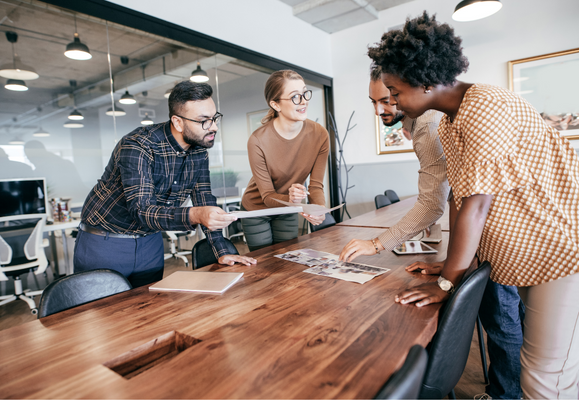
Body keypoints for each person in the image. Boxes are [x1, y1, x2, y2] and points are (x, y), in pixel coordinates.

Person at [369, 12, 579, 399]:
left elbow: (478, 205)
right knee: (540, 367)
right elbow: (459, 198)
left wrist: (449, 283)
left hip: (557, 250)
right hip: (526, 255)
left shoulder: (484, 107)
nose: (394, 102)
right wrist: (451, 265)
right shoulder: (451, 122)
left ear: (425, 81)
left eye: (396, 92)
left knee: (545, 377)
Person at [75, 81, 256, 287]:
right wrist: (195, 215)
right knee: (102, 315)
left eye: (214, 118)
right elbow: (142, 211)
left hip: (150, 241)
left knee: (147, 310)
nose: (213, 127)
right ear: (178, 122)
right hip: (106, 241)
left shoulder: (199, 152)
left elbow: (204, 200)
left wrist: (222, 252)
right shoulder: (138, 145)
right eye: (204, 121)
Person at [339, 67, 448, 262]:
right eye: (373, 102)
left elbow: (432, 205)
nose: (377, 111)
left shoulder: (427, 124)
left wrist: (375, 244)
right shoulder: (424, 121)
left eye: (385, 101)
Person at [240, 70, 329, 251]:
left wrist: (318, 209)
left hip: (289, 206)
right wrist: (293, 199)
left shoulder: (320, 134)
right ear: (276, 104)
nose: (304, 101)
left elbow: (316, 186)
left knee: (287, 259)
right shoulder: (258, 141)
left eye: (305, 93)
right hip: (257, 209)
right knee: (264, 263)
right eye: (295, 97)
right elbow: (267, 196)